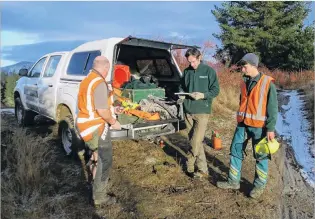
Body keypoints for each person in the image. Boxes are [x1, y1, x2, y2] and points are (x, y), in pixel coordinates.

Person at [216, 53, 278, 199]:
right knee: (235, 150)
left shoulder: (268, 83)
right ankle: (233, 181)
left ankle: (259, 186)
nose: (242, 70)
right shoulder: (244, 82)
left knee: (261, 156)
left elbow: (273, 108)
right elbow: (242, 102)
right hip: (242, 124)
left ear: (253, 65)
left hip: (260, 127)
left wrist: (270, 128)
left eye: (244, 67)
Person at [76, 56, 122, 206]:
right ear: (106, 68)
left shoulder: (88, 80)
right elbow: (101, 110)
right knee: (105, 159)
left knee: (96, 155)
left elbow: (93, 104)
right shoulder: (100, 83)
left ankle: (93, 182)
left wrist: (113, 109)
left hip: (85, 124)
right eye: (108, 69)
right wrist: (113, 122)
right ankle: (100, 197)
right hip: (96, 126)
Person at [179, 48, 220, 179]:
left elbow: (215, 90)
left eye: (194, 61)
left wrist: (203, 95)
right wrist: (182, 96)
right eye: (189, 62)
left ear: (199, 57)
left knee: (195, 141)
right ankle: (203, 169)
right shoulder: (186, 72)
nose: (192, 64)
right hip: (188, 110)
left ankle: (189, 166)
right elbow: (181, 87)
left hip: (202, 111)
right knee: (195, 141)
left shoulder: (209, 71)